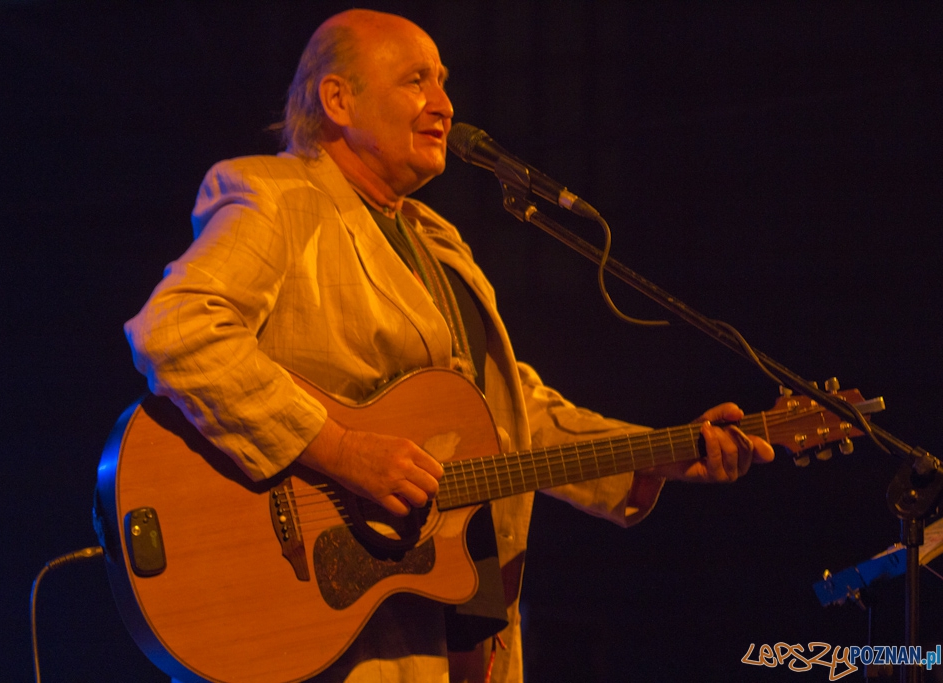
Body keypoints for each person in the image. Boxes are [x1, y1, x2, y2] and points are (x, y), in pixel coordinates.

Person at [125, 9, 774, 683]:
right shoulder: (279, 197)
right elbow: (177, 331)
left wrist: (660, 450)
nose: (444, 104)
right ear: (339, 99)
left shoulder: (438, 241)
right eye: (415, 82)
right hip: (327, 625)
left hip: (460, 629)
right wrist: (345, 451)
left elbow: (509, 413)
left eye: (443, 81)